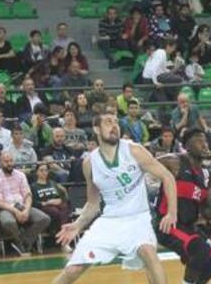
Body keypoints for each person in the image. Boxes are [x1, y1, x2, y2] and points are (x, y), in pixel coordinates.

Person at [53, 113, 178, 284]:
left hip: (138, 218)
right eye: (108, 122)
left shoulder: (134, 150)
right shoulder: (89, 163)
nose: (114, 126)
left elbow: (167, 176)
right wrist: (78, 224)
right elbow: (93, 204)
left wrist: (172, 213)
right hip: (110, 221)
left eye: (116, 122)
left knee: (148, 253)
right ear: (97, 129)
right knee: (73, 269)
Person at [156, 130, 211, 284]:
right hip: (167, 225)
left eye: (205, 141)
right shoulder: (174, 161)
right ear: (187, 146)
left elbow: (207, 211)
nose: (204, 144)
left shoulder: (208, 175)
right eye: (199, 140)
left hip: (189, 227)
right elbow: (145, 163)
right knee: (200, 250)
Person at [0, 151, 51, 255]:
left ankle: (23, 242)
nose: (9, 164)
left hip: (22, 205)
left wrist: (26, 210)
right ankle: (20, 242)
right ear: (0, 162)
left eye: (11, 161)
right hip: (5, 208)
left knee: (44, 219)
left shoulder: (20, 175)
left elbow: (28, 195)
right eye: (6, 161)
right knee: (8, 222)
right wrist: (15, 211)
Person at [31, 162, 70, 235]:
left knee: (65, 207)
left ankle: (62, 231)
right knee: (55, 211)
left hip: (57, 204)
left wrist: (59, 200)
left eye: (46, 170)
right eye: (41, 170)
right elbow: (33, 202)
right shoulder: (33, 186)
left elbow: (62, 197)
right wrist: (46, 203)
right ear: (37, 172)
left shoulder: (53, 183)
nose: (44, 172)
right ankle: (60, 233)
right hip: (44, 206)